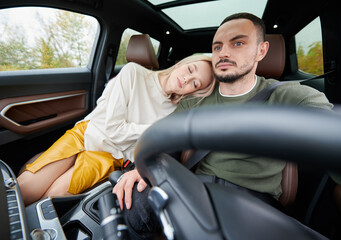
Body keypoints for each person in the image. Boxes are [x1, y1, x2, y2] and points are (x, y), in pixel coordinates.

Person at [113, 12, 333, 239]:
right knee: (133, 205)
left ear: (261, 50)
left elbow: (332, 131)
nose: (223, 53)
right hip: (195, 192)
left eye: (238, 43)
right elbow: (162, 138)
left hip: (256, 203)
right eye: (217, 47)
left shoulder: (289, 95)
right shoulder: (195, 100)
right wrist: (142, 167)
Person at [17, 54, 216, 206]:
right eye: (190, 70)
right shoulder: (134, 73)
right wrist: (156, 128)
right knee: (23, 189)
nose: (187, 80)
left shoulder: (174, 111)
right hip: (85, 134)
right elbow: (112, 128)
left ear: (194, 92)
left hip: (111, 156)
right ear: (182, 63)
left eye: (195, 84)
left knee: (50, 200)